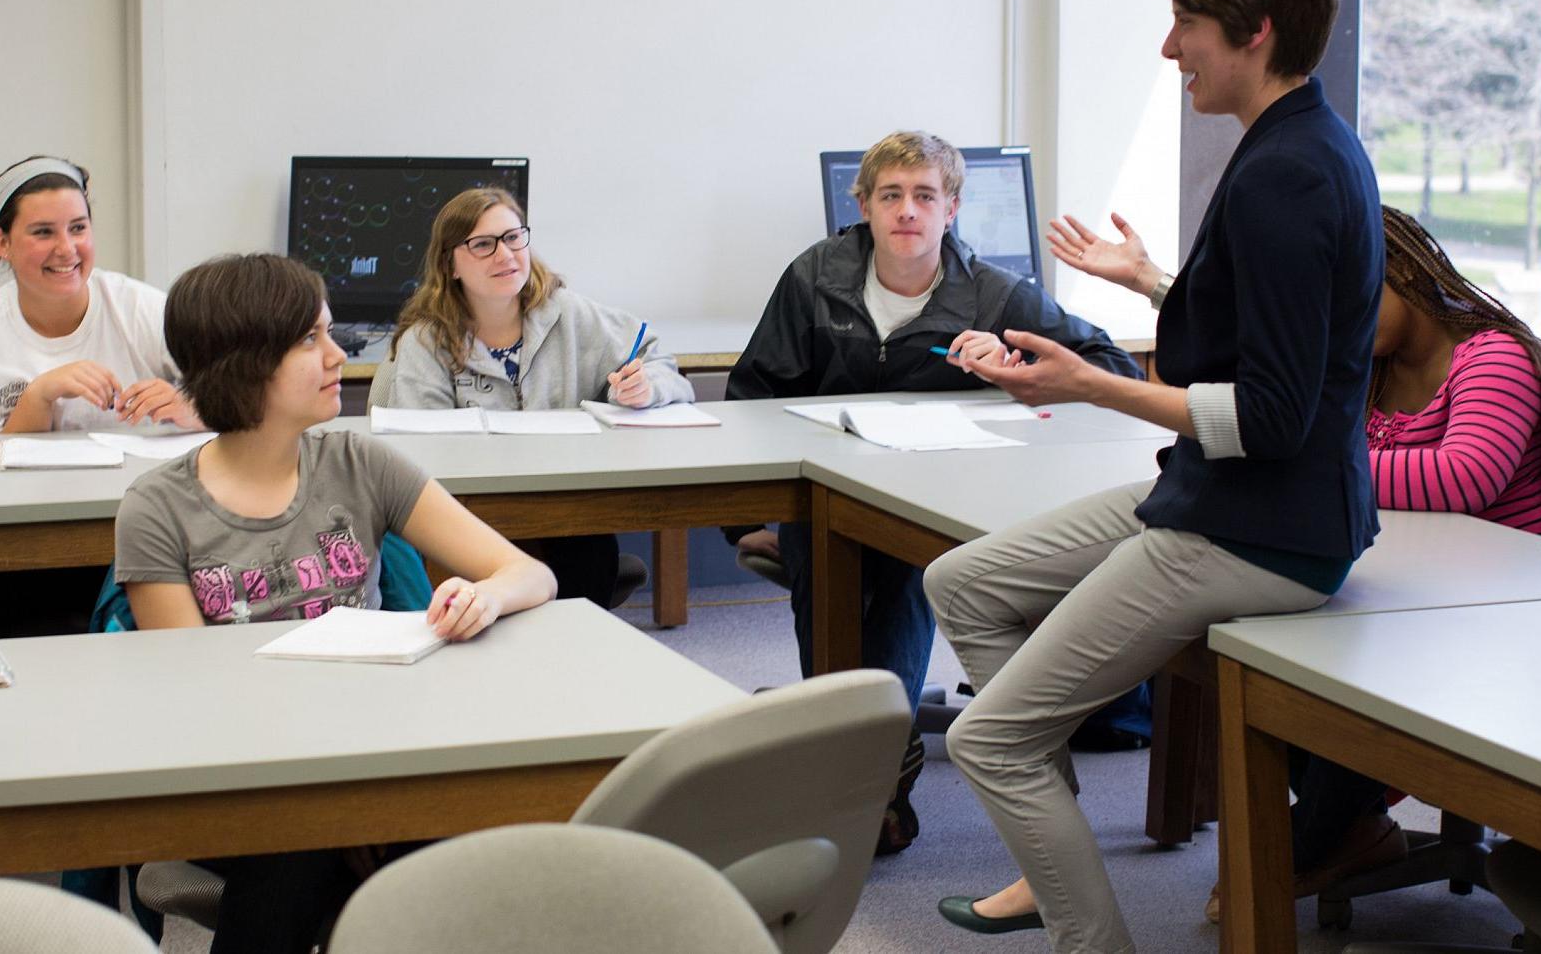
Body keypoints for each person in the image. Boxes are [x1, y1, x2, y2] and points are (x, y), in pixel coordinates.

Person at [924, 0, 1382, 951]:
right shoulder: (1304, 143)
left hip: (1260, 526)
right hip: (1238, 499)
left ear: (1255, 31)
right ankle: (1051, 851)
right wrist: (1154, 281)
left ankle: (1089, 932)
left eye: (1186, 23)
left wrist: (1092, 384)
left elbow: (1270, 414)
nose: (1169, 46)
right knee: (961, 583)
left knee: (989, 741)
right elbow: (1285, 336)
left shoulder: (1284, 175)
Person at [116, 252, 556, 954]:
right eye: (308, 340)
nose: (335, 356)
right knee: (302, 845)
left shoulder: (360, 463)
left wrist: (484, 595)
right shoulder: (157, 508)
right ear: (245, 361)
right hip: (249, 780)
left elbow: (528, 573)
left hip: (373, 762)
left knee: (470, 850)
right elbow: (192, 692)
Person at [725, 128, 1141, 855]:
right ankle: (859, 766)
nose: (907, 212)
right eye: (891, 196)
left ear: (953, 209)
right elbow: (750, 396)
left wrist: (1012, 364)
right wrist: (743, 524)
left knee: (899, 569)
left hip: (939, 503)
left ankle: (871, 781)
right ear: (862, 205)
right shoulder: (814, 278)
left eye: (924, 196)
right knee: (824, 558)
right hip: (826, 497)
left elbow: (1111, 373)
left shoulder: (994, 294)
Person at [1208, 204, 1541, 921]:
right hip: (1438, 588)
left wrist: (1317, 467)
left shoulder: (1493, 355)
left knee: (1337, 649)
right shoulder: (1373, 366)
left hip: (1538, 614)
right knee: (1267, 619)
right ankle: (1352, 823)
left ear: (1406, 273)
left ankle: (1335, 827)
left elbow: (1461, 478)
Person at [0, 155, 200, 639]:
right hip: (21, 538)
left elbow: (241, 398)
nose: (67, 249)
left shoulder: (141, 308)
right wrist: (39, 395)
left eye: (78, 228)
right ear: (2, 243)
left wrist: (191, 405)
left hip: (142, 523)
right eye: (43, 233)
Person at [372, 187, 689, 608]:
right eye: (483, 245)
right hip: (469, 515)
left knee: (588, 547)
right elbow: (419, 454)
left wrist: (648, 386)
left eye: (513, 237)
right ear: (450, 264)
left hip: (565, 503)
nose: (505, 255)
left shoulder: (570, 314)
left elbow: (660, 362)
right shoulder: (426, 341)